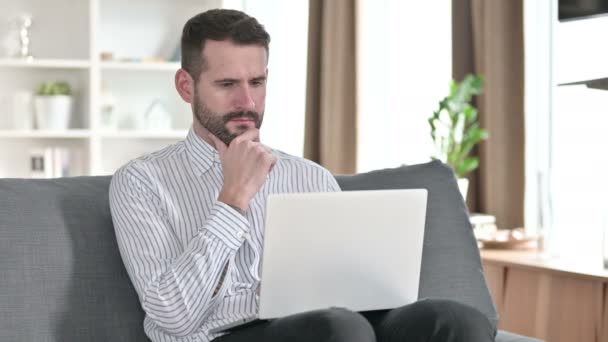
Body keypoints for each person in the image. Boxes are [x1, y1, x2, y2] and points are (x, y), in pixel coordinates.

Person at [109, 8, 495, 342]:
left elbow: (349, 281)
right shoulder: (142, 182)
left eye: (257, 83)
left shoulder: (309, 176)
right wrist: (233, 198)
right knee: (340, 329)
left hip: (335, 321)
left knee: (453, 320)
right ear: (186, 86)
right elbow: (173, 318)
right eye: (227, 84)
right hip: (220, 334)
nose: (247, 102)